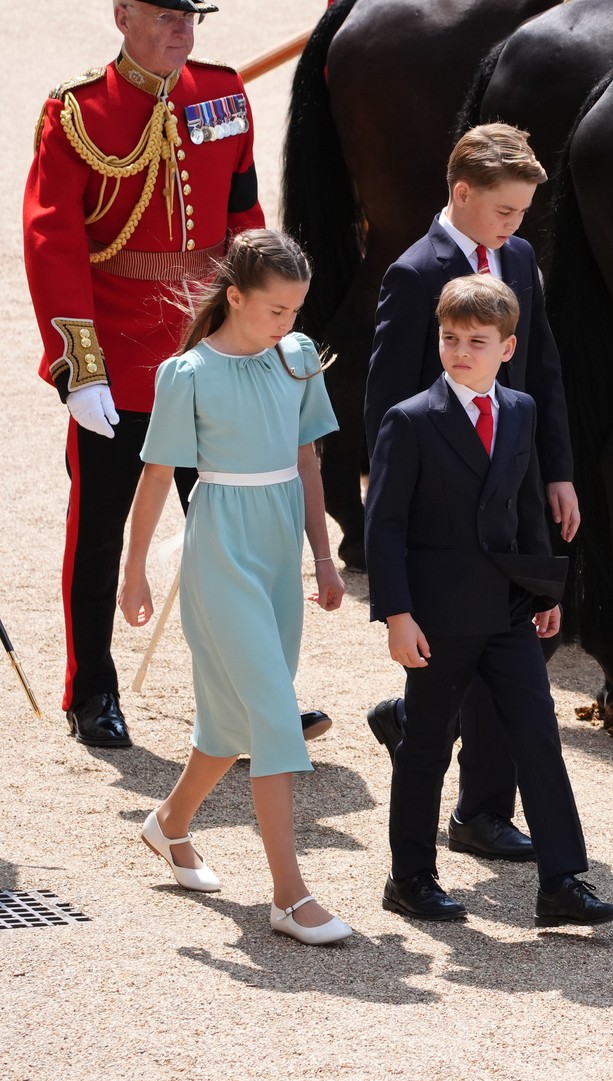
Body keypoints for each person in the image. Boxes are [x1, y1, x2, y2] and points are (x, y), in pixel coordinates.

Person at [23, 0, 329, 747]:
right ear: (123, 14)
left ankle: (259, 693)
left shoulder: (222, 95)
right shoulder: (76, 112)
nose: (181, 31)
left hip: (212, 347)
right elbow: (52, 241)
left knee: (238, 535)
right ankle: (90, 687)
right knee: (99, 532)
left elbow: (243, 219)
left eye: (190, 17)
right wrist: (79, 365)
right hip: (119, 357)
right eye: (164, 17)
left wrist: (259, 329)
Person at [365, 274, 613, 928]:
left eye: (476, 341)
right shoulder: (410, 421)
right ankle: (411, 877)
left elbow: (527, 503)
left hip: (510, 612)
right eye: (450, 338)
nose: (459, 351)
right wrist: (398, 615)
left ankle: (562, 882)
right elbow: (384, 526)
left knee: (538, 740)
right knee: (424, 745)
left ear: (507, 348)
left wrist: (546, 590)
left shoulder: (522, 411)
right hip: (441, 619)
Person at [118, 230, 351, 946]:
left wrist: (325, 554)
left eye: (296, 310)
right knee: (276, 716)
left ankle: (170, 824)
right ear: (237, 297)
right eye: (275, 310)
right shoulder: (187, 374)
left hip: (282, 548)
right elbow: (157, 476)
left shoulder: (301, 358)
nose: (288, 324)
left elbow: (308, 462)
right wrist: (133, 571)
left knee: (230, 721)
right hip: (220, 548)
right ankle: (289, 894)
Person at [362, 123, 578, 867]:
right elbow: (388, 402)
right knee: (473, 640)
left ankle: (473, 790)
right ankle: (473, 803)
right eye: (507, 211)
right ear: (463, 194)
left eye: (522, 213)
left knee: (520, 643)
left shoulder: (517, 257)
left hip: (514, 485)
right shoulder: (415, 274)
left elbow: (540, 368)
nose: (517, 226)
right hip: (449, 500)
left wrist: (557, 469)